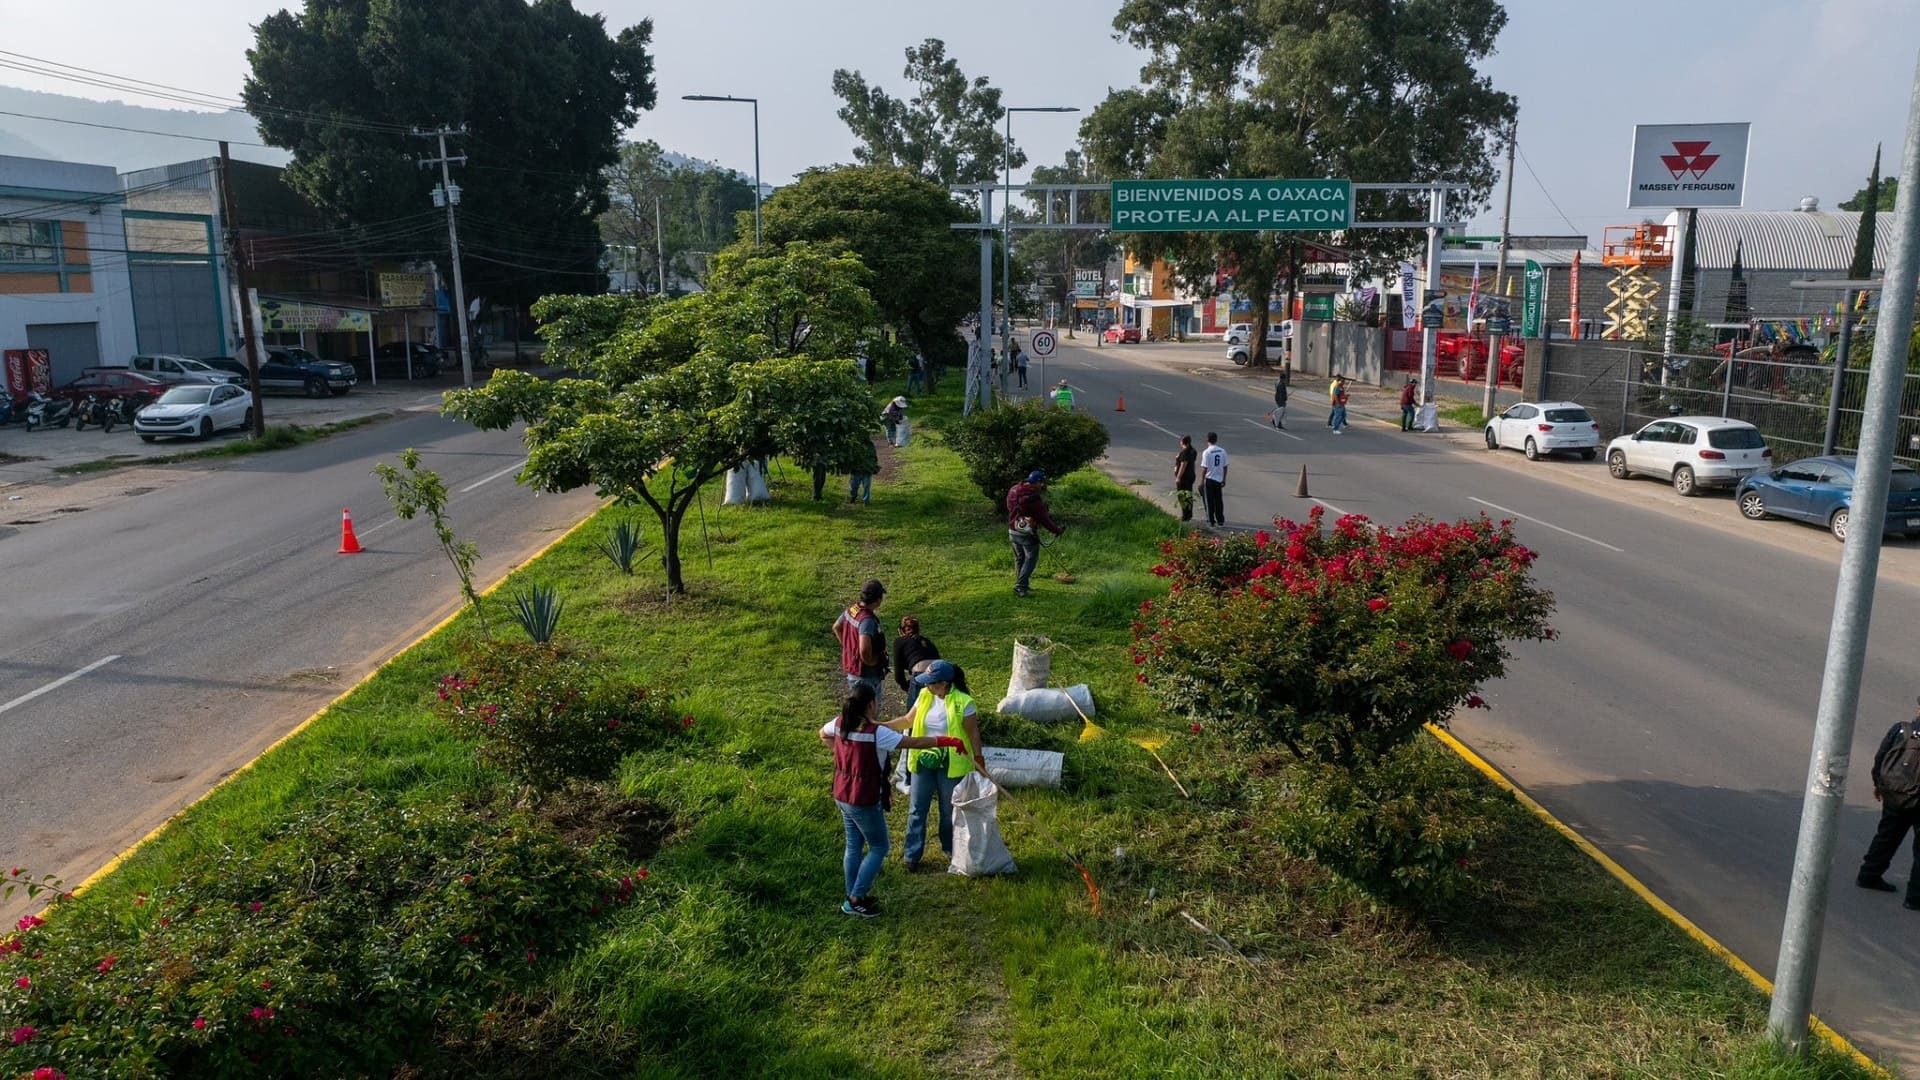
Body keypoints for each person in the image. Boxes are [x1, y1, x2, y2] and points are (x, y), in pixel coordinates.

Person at [819, 683, 966, 916]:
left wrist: (842, 755)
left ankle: (852, 895)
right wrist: (947, 741)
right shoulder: (876, 734)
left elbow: (822, 734)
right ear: (871, 704)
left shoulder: (839, 724)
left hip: (842, 793)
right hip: (863, 797)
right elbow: (914, 742)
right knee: (879, 847)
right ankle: (856, 898)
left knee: (853, 845)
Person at [895, 660, 989, 873]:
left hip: (950, 763)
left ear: (944, 683)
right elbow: (908, 721)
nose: (927, 686)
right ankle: (912, 855)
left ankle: (950, 849)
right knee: (917, 809)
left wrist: (979, 759)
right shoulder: (924, 696)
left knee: (948, 811)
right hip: (923, 759)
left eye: (931, 683)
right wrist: (880, 726)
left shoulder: (964, 702)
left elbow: (973, 733)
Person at [1858, 700, 1920, 908]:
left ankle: (1868, 875)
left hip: (1894, 795)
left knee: (1886, 836)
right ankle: (1914, 898)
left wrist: (1879, 785)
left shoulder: (1901, 729)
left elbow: (1880, 758)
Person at [1006, 470, 1065, 597]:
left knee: (1019, 558)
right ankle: (1020, 587)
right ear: (1036, 482)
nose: (1042, 485)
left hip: (1012, 530)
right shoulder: (1033, 497)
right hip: (1026, 533)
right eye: (1041, 483)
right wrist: (1057, 530)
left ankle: (1022, 584)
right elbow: (1044, 519)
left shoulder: (1013, 490)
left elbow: (1010, 508)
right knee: (1031, 558)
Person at [832, 580, 888, 703]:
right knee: (869, 713)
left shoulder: (852, 609)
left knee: (857, 709)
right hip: (866, 675)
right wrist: (872, 661)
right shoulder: (867, 620)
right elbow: (864, 649)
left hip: (853, 668)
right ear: (878, 600)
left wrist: (847, 647)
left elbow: (836, 627)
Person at [891, 616, 942, 700]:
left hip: (921, 673)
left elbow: (899, 675)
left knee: (915, 710)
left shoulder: (900, 641)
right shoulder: (927, 641)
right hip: (939, 674)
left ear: (900, 631)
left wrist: (906, 686)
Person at [1200, 433, 1228, 528]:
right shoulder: (1222, 451)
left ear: (1207, 440)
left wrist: (1202, 481)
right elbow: (1225, 466)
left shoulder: (1207, 452)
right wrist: (1224, 479)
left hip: (1210, 479)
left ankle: (1211, 520)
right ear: (1216, 439)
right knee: (1219, 501)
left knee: (1209, 501)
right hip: (1218, 479)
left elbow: (1204, 468)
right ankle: (1220, 520)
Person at [1172, 435, 1197, 522]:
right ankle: (1189, 514)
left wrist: (1178, 477)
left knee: (1182, 496)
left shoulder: (1185, 452)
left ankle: (1185, 515)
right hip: (1191, 476)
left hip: (1184, 477)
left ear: (1182, 442)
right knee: (1188, 495)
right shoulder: (1193, 451)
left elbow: (1183, 465)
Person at [848, 436, 879, 505]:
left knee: (866, 486)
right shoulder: (854, 445)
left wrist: (874, 466)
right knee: (854, 485)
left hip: (867, 469)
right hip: (856, 469)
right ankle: (853, 496)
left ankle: (866, 501)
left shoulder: (870, 445)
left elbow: (874, 456)